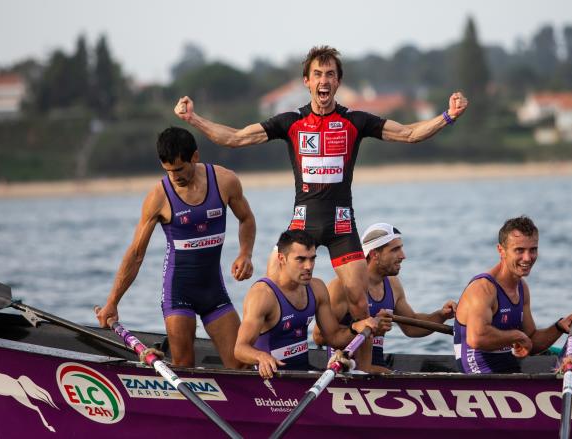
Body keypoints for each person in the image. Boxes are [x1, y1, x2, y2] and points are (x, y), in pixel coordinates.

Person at [175, 45, 468, 368]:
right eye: (317, 74)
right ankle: (261, 359)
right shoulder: (291, 122)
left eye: (330, 74)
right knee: (273, 289)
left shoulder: (356, 121)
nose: (323, 80)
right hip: (303, 225)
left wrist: (448, 117)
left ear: (338, 82)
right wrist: (194, 119)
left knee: (360, 299)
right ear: (307, 81)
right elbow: (235, 138)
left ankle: (365, 366)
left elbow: (410, 133)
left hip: (342, 225)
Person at [96, 127, 256, 368]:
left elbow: (246, 219)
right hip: (178, 293)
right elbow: (136, 254)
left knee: (240, 364)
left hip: (214, 291)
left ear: (195, 157)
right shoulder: (159, 197)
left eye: (179, 169)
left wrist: (245, 254)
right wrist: (112, 302)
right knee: (184, 365)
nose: (175, 176)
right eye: (169, 171)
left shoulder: (224, 180)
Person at [234, 229, 385, 379]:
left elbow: (334, 338)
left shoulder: (317, 288)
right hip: (271, 378)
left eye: (312, 259)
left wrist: (355, 328)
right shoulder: (263, 295)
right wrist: (260, 357)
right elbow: (240, 348)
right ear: (282, 259)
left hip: (303, 375)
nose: (308, 266)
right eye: (301, 259)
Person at [313, 222, 456, 372]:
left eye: (401, 248)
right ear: (375, 254)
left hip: (377, 369)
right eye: (395, 249)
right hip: (347, 371)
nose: (403, 256)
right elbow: (319, 337)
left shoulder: (393, 285)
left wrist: (441, 315)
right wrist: (362, 329)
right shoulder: (342, 287)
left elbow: (411, 327)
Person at [453, 216, 572, 373]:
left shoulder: (522, 288)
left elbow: (531, 341)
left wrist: (559, 326)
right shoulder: (483, 288)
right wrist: (516, 336)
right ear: (501, 250)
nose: (527, 258)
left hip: (507, 370)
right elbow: (476, 338)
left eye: (533, 250)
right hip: (478, 374)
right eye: (519, 250)